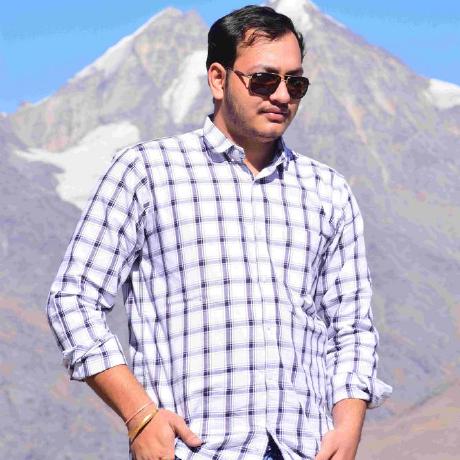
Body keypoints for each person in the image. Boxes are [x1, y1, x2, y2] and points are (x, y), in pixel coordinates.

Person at [46, 5, 392, 460]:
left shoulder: (327, 190)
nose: (282, 95)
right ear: (218, 78)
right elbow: (72, 299)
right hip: (193, 450)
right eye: (264, 80)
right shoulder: (147, 172)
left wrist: (347, 428)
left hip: (302, 449)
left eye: (295, 83)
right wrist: (140, 415)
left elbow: (352, 327)